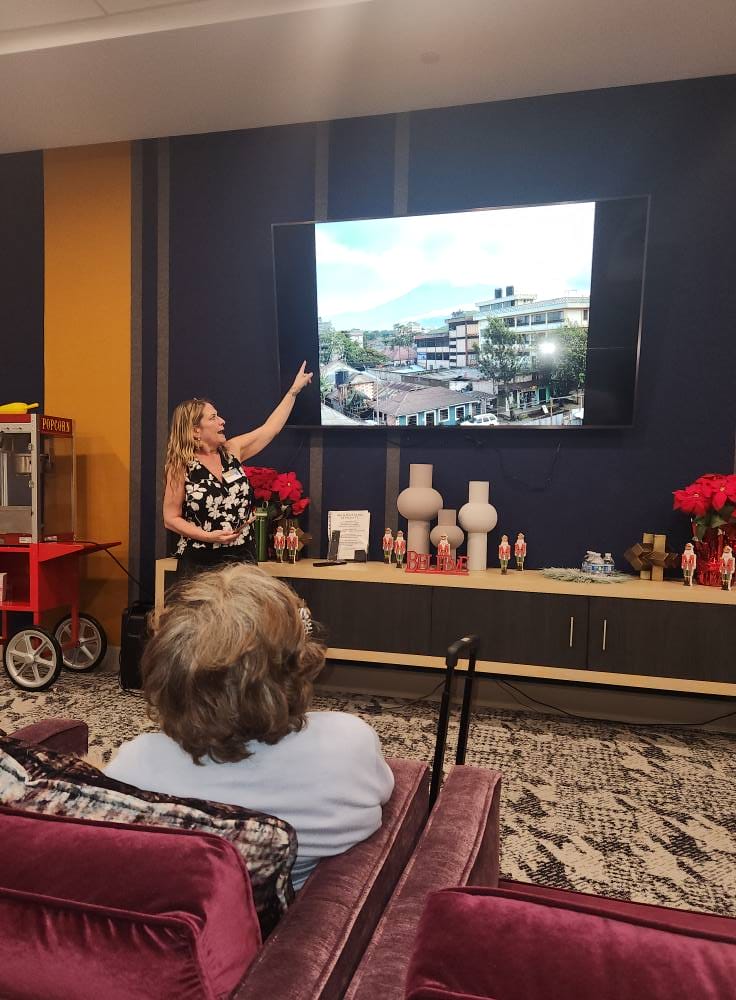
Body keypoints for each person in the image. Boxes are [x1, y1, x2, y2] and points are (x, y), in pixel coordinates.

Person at [105, 564, 394, 890]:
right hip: (289, 924)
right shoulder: (348, 744)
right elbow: (384, 799)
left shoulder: (131, 769)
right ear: (297, 665)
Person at [164, 362, 313, 577]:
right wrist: (208, 537)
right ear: (195, 430)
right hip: (200, 562)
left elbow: (270, 429)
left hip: (242, 558)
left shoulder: (232, 450)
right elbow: (170, 518)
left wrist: (293, 391)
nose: (222, 422)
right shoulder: (180, 465)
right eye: (213, 418)